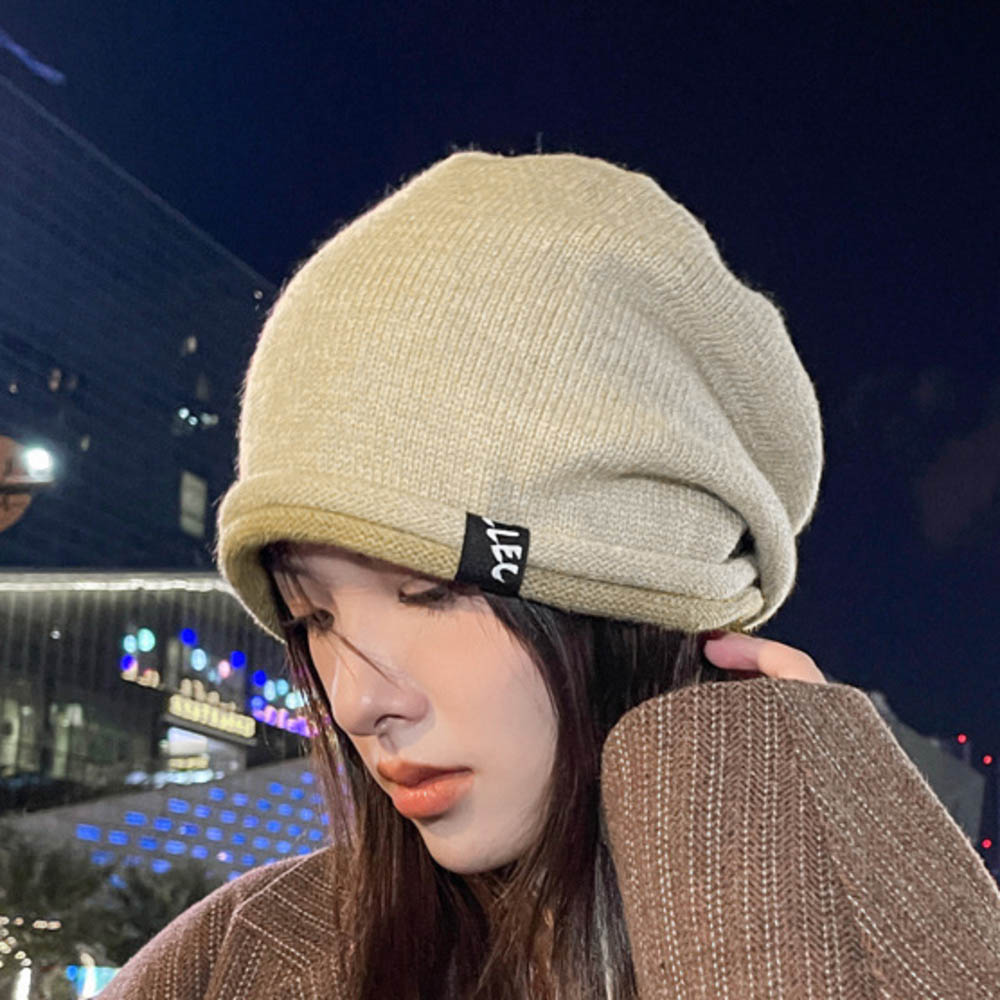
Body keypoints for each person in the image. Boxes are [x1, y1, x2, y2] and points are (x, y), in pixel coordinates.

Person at [99, 150, 1000, 999]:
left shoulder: (829, 932)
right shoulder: (232, 959)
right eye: (312, 616)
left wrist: (778, 845)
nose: (357, 701)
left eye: (429, 590)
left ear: (638, 601)